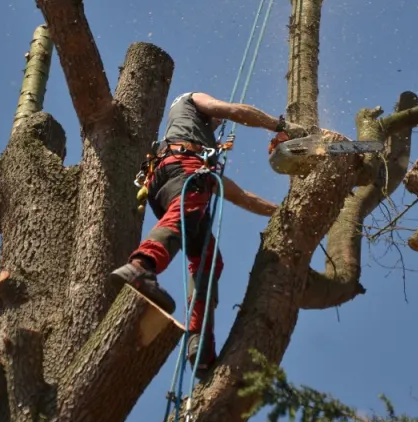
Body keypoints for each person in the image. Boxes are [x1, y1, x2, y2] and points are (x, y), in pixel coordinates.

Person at [109, 91, 308, 378]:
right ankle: (141, 267)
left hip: (168, 175)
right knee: (184, 213)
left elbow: (241, 197)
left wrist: (286, 210)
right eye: (215, 120)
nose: (218, 123)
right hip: (180, 167)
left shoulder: (200, 148)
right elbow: (233, 110)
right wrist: (280, 127)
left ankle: (198, 341)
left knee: (207, 259)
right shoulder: (190, 101)